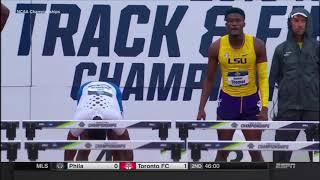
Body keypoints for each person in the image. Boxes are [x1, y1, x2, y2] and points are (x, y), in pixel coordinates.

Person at [197, 7, 269, 162]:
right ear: (226, 25)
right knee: (223, 151)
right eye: (230, 21)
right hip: (228, 101)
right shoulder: (217, 47)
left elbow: (263, 78)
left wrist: (264, 108)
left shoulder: (257, 45)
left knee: (255, 151)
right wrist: (201, 107)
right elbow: (209, 79)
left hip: (250, 100)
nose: (234, 24)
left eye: (237, 21)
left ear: (244, 23)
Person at [269, 8, 319, 162]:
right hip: (288, 108)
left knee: (317, 151)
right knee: (282, 152)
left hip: (314, 107)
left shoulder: (317, 48)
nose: (299, 24)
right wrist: (265, 106)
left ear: (308, 23)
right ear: (290, 23)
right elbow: (272, 79)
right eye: (296, 20)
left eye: (303, 21)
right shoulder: (281, 49)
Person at [64, 81, 133, 161]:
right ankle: (81, 169)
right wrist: (66, 165)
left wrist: (129, 167)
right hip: (87, 89)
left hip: (111, 88)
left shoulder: (114, 117)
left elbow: (127, 146)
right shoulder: (81, 117)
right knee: (84, 143)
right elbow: (70, 144)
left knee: (114, 138)